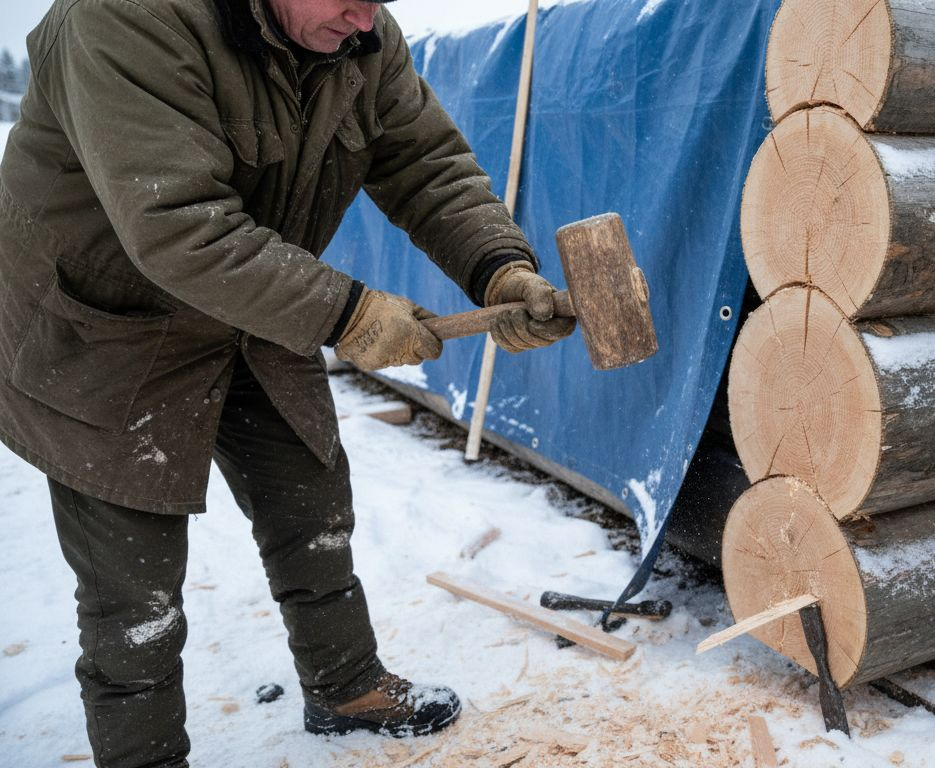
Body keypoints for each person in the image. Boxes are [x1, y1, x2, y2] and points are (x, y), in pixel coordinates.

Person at [0, 0, 577, 765]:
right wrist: (348, 314)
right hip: (108, 327)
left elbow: (424, 164)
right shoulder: (124, 17)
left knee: (313, 504)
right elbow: (178, 223)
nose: (363, 16)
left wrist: (498, 266)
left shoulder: (361, 32)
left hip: (256, 302)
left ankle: (345, 684)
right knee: (133, 592)